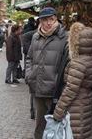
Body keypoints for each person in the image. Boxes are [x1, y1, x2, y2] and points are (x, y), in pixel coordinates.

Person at [25, 7, 68, 139]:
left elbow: (68, 64)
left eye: (51, 19)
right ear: (40, 21)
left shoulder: (64, 37)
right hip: (37, 88)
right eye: (45, 20)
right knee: (39, 126)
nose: (49, 23)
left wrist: (60, 83)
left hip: (54, 91)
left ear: (56, 19)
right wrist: (29, 75)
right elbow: (29, 58)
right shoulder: (35, 37)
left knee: (55, 126)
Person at [53, 22, 92, 139]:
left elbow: (70, 90)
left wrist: (58, 111)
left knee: (74, 133)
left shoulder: (78, 63)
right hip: (86, 100)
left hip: (76, 103)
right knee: (82, 129)